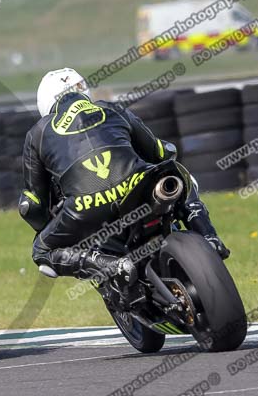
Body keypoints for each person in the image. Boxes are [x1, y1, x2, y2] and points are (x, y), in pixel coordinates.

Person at [18, 68, 230, 287]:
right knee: (179, 174)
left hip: (86, 207)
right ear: (84, 90)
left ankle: (108, 265)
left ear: (44, 103)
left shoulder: (38, 133)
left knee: (42, 250)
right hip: (138, 187)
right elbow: (159, 152)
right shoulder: (114, 109)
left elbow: (32, 205)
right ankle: (209, 238)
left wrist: (48, 224)